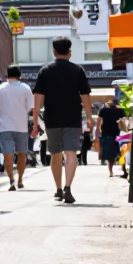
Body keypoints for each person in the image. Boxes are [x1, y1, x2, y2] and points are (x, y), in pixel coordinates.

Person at [31, 37, 92, 205]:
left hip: (52, 119)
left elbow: (38, 98)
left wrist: (35, 121)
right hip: (73, 118)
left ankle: (58, 189)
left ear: (54, 52)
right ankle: (68, 187)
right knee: (71, 153)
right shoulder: (78, 70)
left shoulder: (45, 70)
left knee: (55, 154)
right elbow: (85, 96)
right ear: (70, 52)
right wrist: (89, 117)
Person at [0, 65, 34, 190]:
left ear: (7, 75)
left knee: (8, 155)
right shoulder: (26, 88)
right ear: (19, 75)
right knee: (22, 154)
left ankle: (11, 180)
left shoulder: (0, 89)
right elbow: (30, 108)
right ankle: (20, 179)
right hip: (22, 127)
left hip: (5, 127)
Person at [96, 98, 126, 178]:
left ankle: (111, 171)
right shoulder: (120, 111)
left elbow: (99, 121)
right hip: (118, 134)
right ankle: (123, 171)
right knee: (122, 153)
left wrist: (97, 130)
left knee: (110, 156)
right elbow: (124, 121)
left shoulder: (103, 110)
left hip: (107, 133)